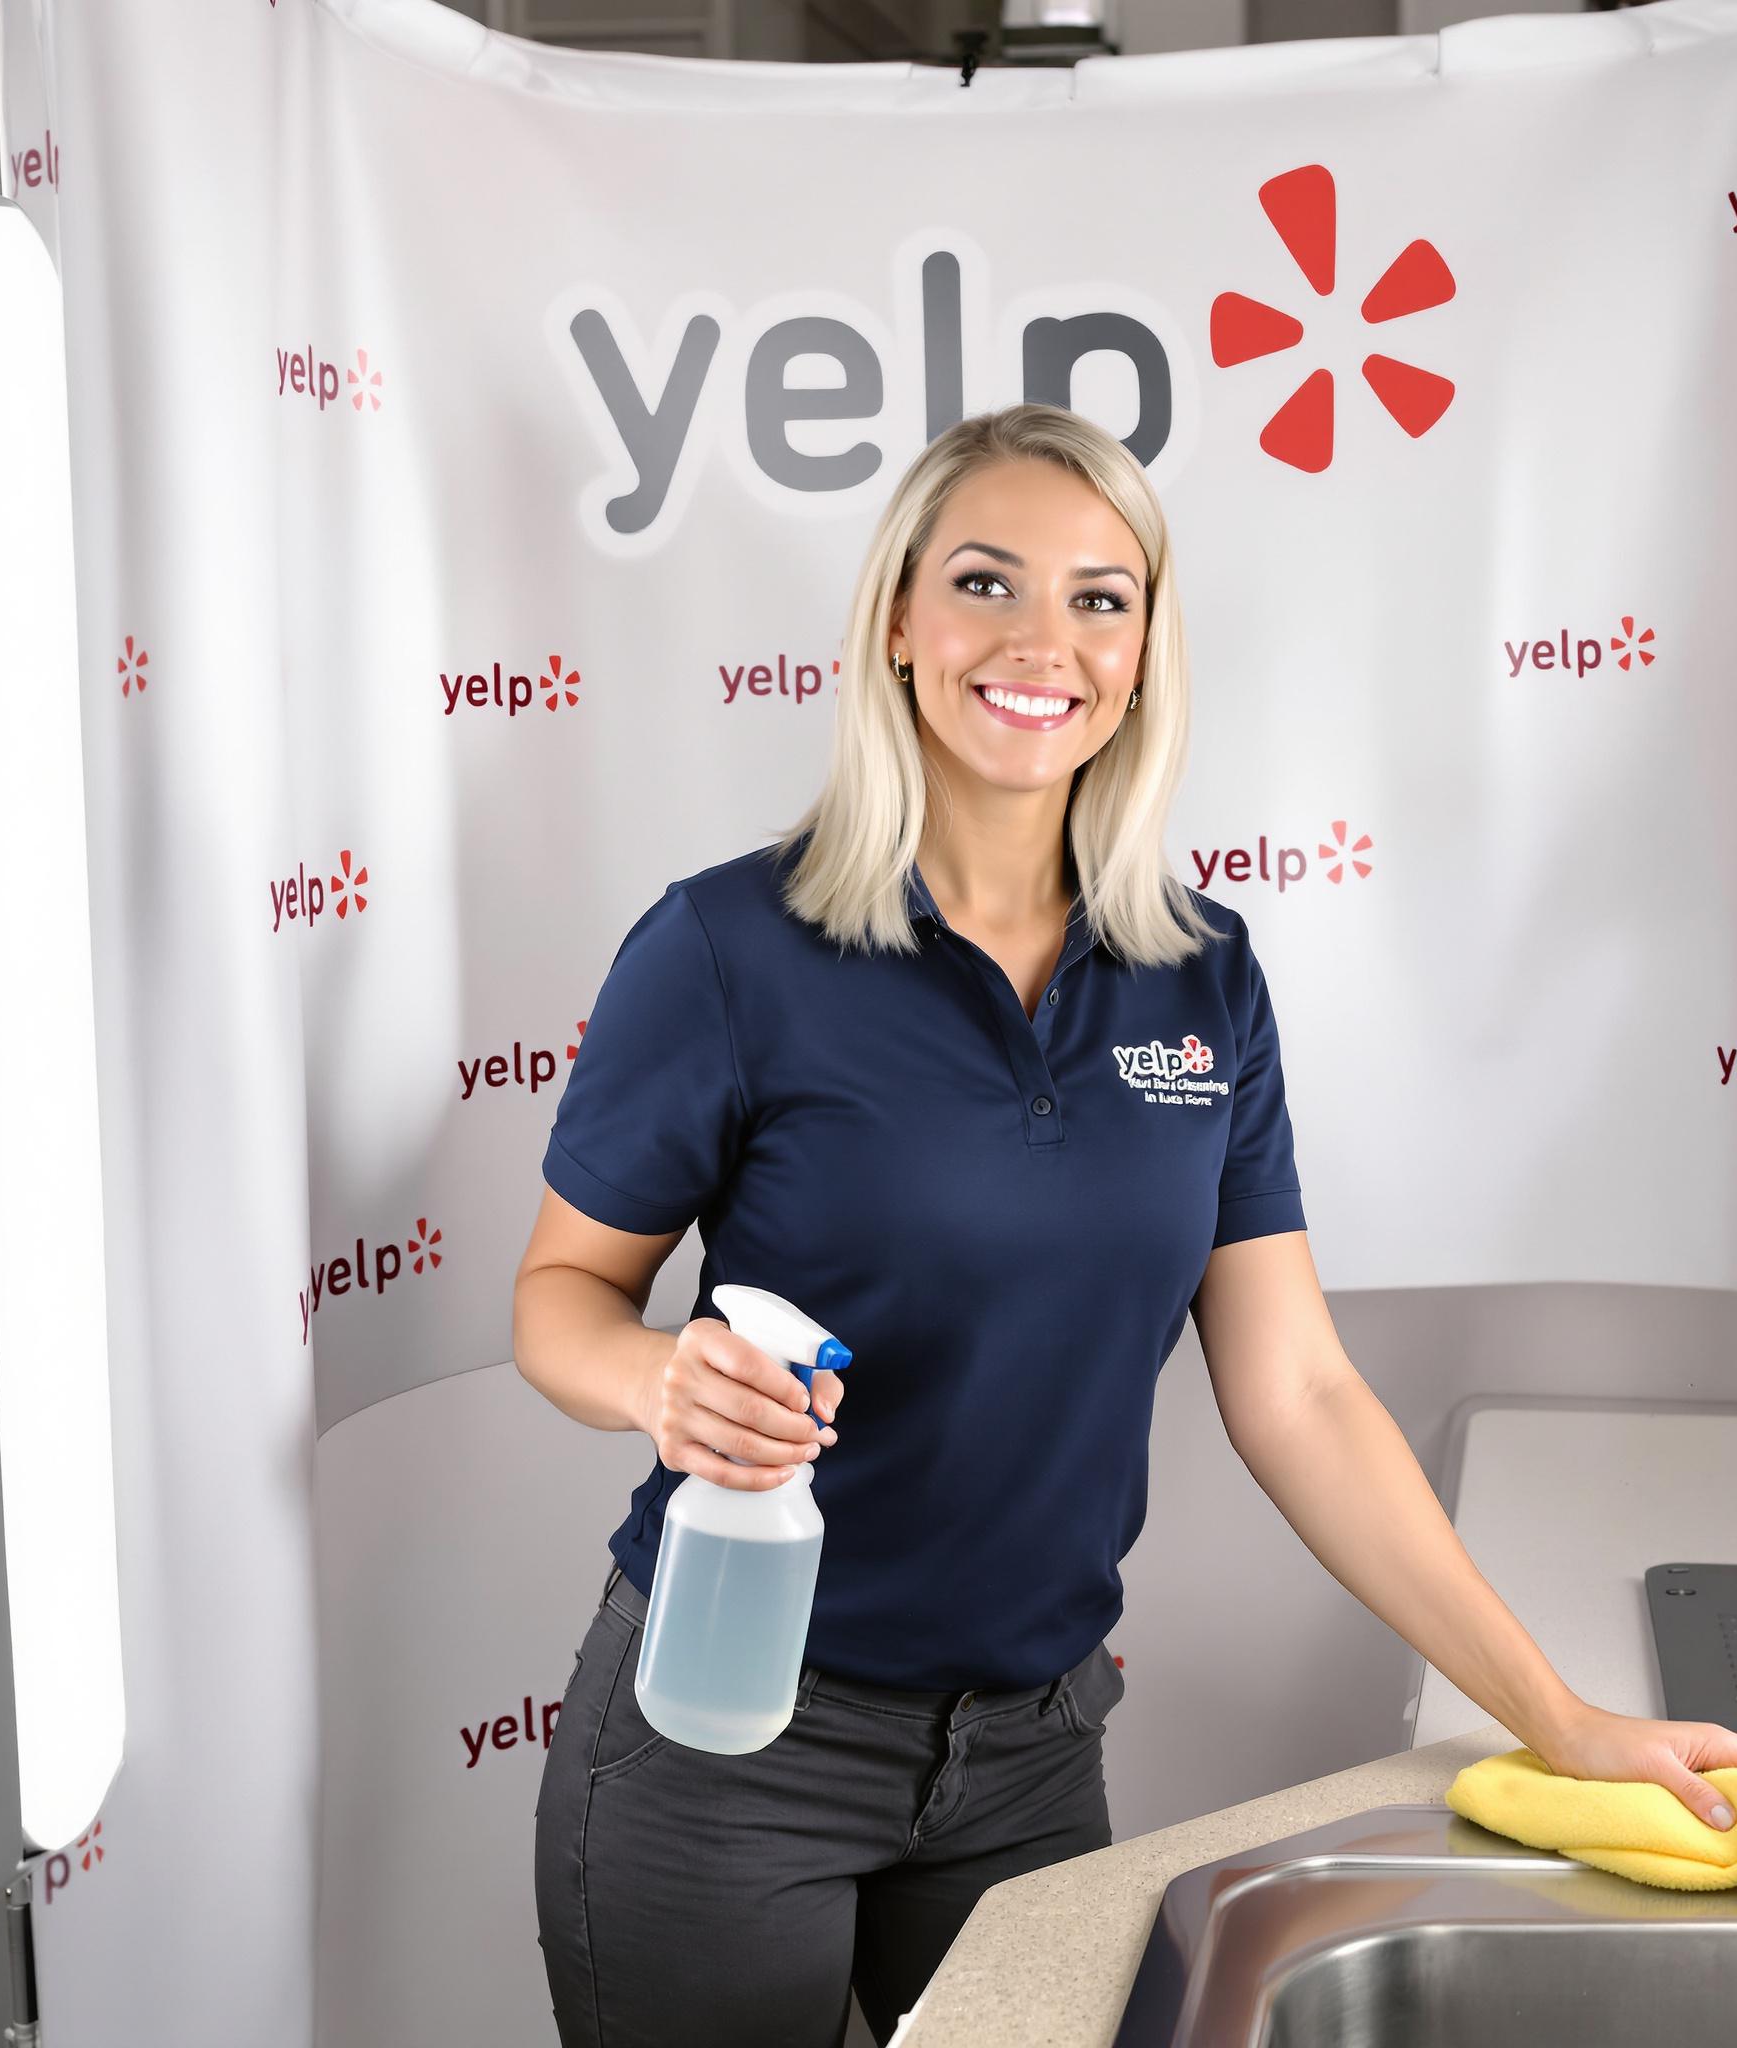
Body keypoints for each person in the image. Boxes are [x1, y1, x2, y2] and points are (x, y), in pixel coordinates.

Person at [514, 401, 1307, 2048]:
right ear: (897, 622)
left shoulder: (1205, 973)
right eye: (987, 584)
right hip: (729, 1741)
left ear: (1148, 646)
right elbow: (559, 1299)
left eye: (1102, 596)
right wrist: (661, 1382)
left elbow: (1297, 1392)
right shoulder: (730, 948)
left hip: (1031, 1760)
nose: (1044, 640)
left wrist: (1561, 1714)